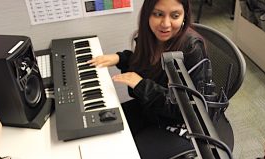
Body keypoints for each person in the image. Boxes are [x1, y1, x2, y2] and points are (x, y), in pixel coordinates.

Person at [88, 0, 209, 139]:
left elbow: (187, 110)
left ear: (184, 16)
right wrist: (121, 58)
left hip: (176, 123)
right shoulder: (150, 37)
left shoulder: (192, 50)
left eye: (175, 16)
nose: (165, 24)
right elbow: (148, 64)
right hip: (150, 108)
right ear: (147, 15)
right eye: (158, 14)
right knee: (100, 129)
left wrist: (142, 85)